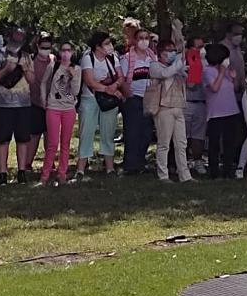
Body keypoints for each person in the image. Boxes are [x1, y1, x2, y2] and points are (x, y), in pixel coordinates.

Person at [0, 27, 34, 185]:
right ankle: (2, 172)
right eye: (16, 35)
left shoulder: (26, 56)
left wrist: (26, 69)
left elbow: (32, 80)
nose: (18, 38)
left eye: (21, 35)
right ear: (9, 36)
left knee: (23, 139)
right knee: (3, 140)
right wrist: (6, 69)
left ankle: (22, 172)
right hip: (2, 104)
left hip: (23, 104)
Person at [76, 32, 124, 180]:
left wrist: (115, 85)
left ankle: (110, 167)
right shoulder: (87, 58)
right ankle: (81, 169)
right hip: (90, 98)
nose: (110, 46)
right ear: (98, 46)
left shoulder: (113, 57)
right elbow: (89, 80)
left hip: (109, 99)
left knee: (108, 132)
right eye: (106, 43)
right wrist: (108, 89)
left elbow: (120, 76)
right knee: (87, 132)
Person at [37, 43, 81, 186]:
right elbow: (43, 83)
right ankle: (45, 176)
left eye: (69, 50)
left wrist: (73, 77)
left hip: (69, 109)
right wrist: (43, 99)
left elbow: (75, 92)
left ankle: (62, 173)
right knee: (52, 143)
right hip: (53, 107)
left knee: (66, 143)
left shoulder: (77, 69)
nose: (66, 53)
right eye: (63, 50)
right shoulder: (53, 66)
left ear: (72, 52)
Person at [150, 39, 192, 183]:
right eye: (169, 51)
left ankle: (185, 175)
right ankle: (163, 175)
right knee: (164, 143)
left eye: (174, 50)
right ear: (161, 53)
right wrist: (179, 61)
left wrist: (188, 68)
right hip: (164, 108)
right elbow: (166, 74)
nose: (172, 53)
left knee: (181, 143)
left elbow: (189, 81)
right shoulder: (155, 66)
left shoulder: (177, 67)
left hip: (179, 107)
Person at [203, 43, 242, 179]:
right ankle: (213, 171)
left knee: (230, 143)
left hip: (231, 111)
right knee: (214, 143)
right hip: (216, 113)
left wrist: (233, 77)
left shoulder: (226, 71)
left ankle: (227, 170)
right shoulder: (208, 71)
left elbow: (235, 88)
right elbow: (214, 88)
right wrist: (221, 72)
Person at [120, 29, 156, 175]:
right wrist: (127, 93)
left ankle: (141, 162)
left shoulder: (153, 58)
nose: (144, 41)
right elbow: (121, 78)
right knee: (132, 132)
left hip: (149, 98)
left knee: (146, 133)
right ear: (135, 40)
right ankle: (130, 165)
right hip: (133, 98)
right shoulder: (127, 59)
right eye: (141, 38)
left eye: (146, 38)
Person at [22, 33, 56, 175]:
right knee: (34, 134)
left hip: (52, 103)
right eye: (43, 47)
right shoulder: (30, 60)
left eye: (48, 47)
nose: (46, 50)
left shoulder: (54, 60)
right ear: (37, 46)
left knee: (50, 134)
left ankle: (50, 163)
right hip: (34, 102)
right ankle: (27, 163)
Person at [183, 35, 208, 175]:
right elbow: (191, 84)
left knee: (199, 136)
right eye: (198, 47)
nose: (201, 50)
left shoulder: (205, 62)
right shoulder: (183, 62)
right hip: (186, 103)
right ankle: (182, 163)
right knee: (183, 137)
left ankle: (198, 162)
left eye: (202, 46)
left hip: (201, 102)